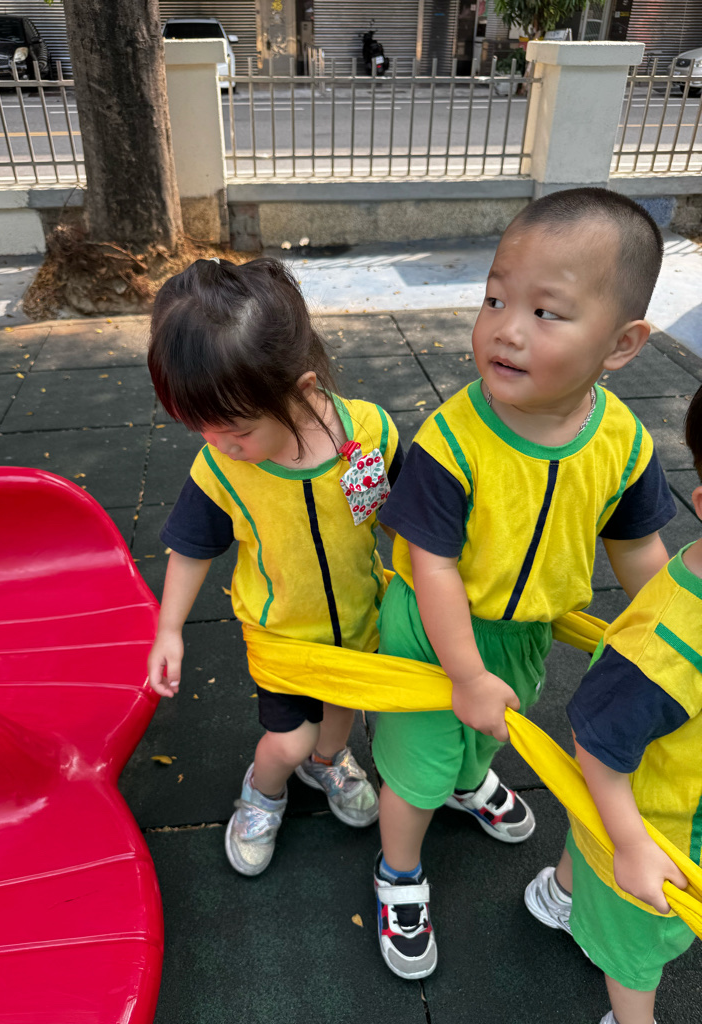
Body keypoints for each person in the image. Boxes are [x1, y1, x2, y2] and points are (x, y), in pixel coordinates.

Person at [370, 187, 677, 979]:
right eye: (495, 298)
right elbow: (431, 565)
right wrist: (465, 673)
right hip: (434, 631)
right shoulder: (453, 441)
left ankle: (469, 782)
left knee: (488, 732)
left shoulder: (623, 442)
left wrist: (672, 635)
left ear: (621, 344)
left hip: (523, 630)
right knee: (416, 764)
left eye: (546, 312)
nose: (506, 328)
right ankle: (398, 872)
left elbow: (639, 552)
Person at [146, 256, 403, 877]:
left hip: (356, 622)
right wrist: (169, 628)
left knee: (337, 722)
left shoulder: (366, 433)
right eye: (200, 428)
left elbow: (404, 515)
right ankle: (262, 793)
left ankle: (328, 764)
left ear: (304, 390)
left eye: (234, 430)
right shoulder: (222, 470)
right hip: (281, 635)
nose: (218, 444)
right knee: (290, 740)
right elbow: (192, 548)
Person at [525, 384, 702, 1024]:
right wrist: (631, 846)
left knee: (590, 825)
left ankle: (559, 895)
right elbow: (597, 745)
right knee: (636, 951)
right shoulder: (667, 649)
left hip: (665, 787)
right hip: (659, 833)